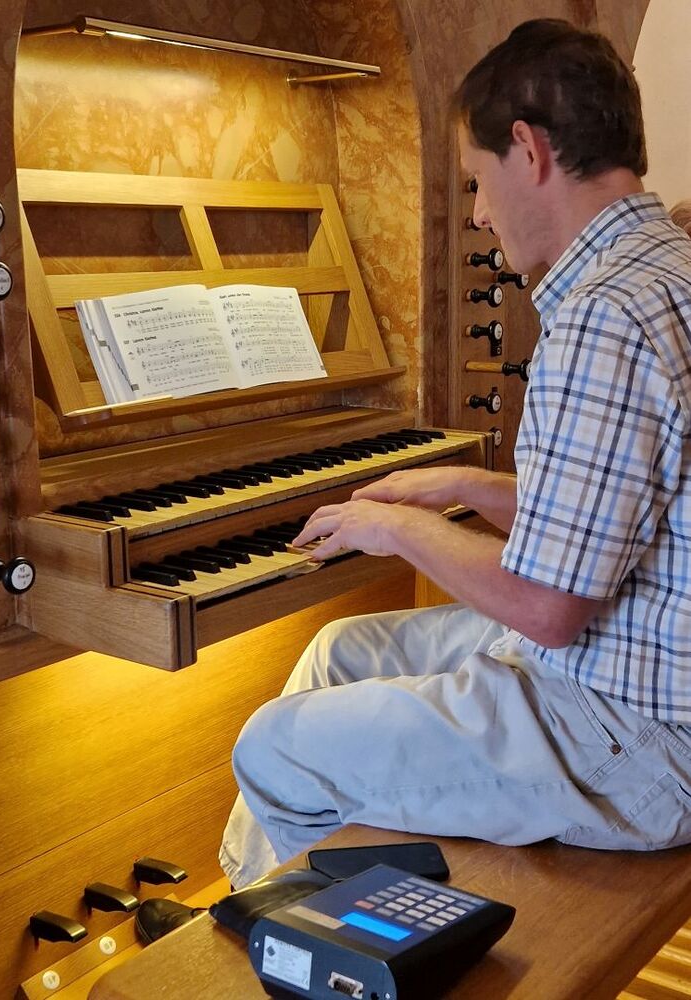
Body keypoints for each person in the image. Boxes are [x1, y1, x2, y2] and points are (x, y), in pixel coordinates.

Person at [220, 18, 691, 889]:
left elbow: (550, 608)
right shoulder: (665, 265)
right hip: (637, 665)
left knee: (271, 747)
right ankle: (255, 906)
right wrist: (469, 485)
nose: (476, 212)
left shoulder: (604, 313)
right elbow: (620, 512)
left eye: (477, 178)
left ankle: (326, 941)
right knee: (338, 652)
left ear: (529, 150)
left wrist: (398, 530)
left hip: (640, 735)